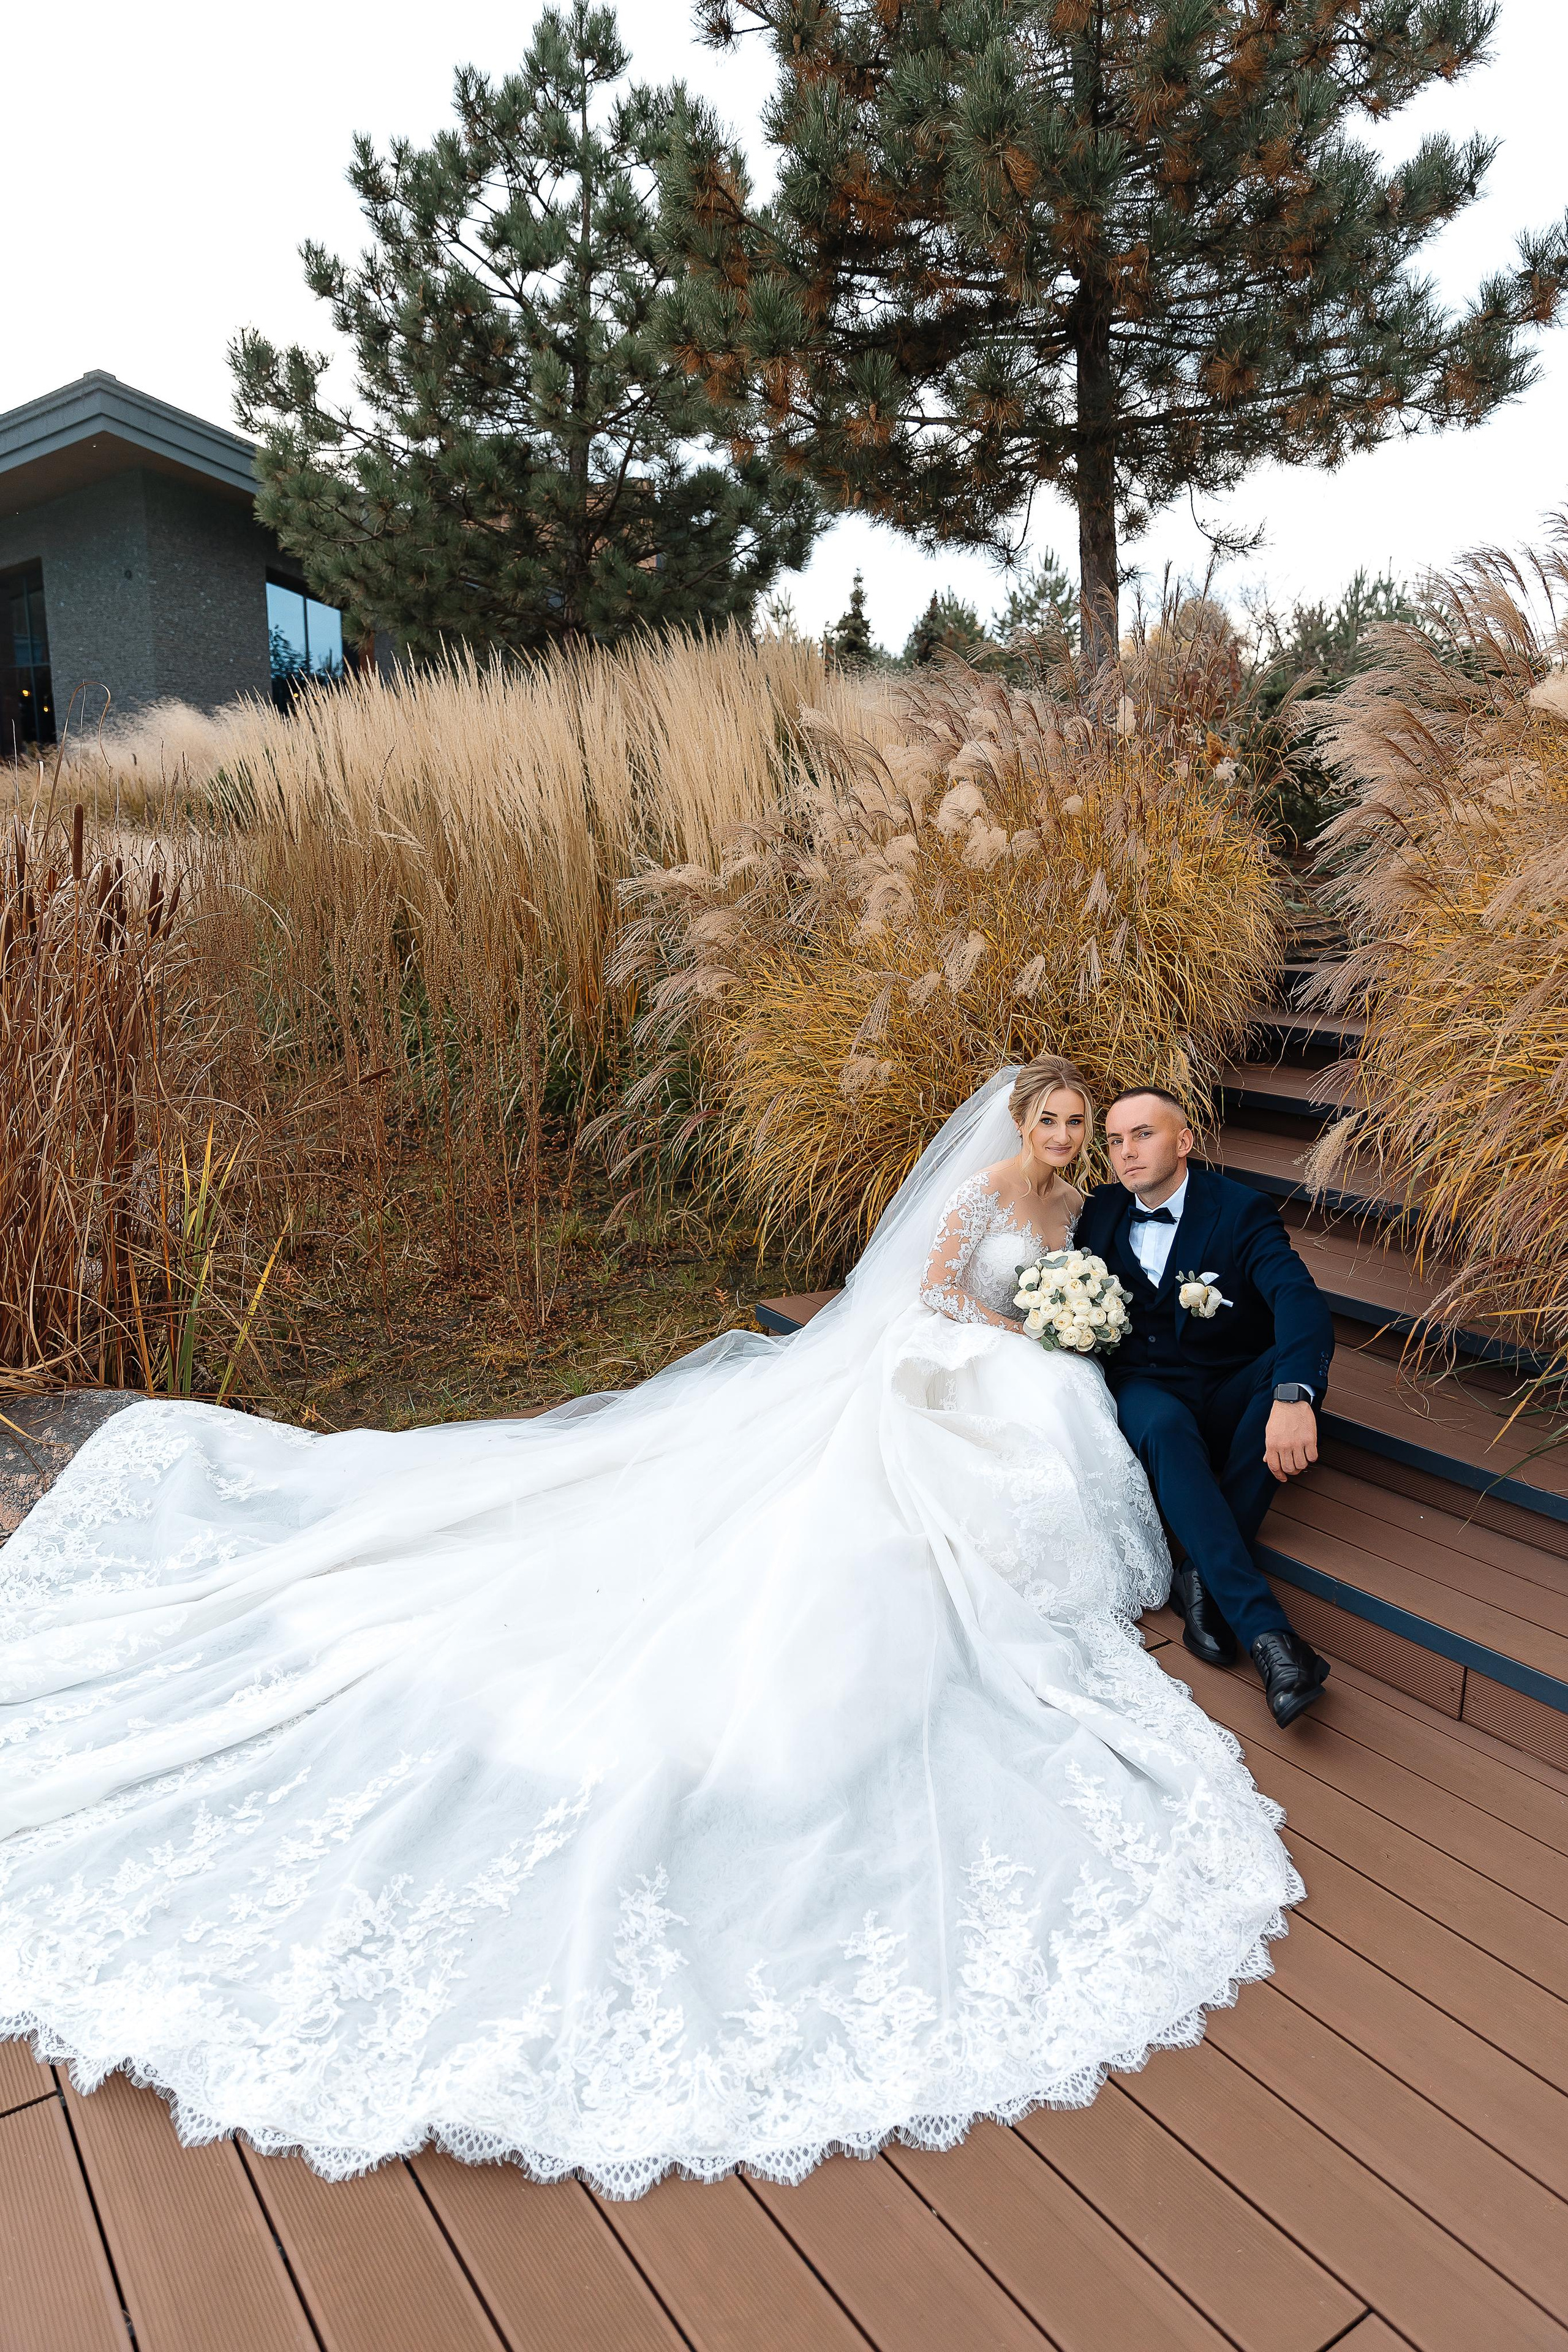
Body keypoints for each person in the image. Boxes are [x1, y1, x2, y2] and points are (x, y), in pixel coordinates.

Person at [0, 1060, 1300, 2202]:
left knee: (1056, 1420)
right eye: (1063, 1122)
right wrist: (1024, 1324)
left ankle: (1121, 1566)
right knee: (966, 1443)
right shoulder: (998, 1190)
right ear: (1029, 1121)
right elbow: (930, 1290)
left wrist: (1069, 1328)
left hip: (1042, 1366)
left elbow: (1110, 1290)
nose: (1076, 1140)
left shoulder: (1091, 1210)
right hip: (946, 1357)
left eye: (1090, 1125)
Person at [1076, 1087, 1335, 1726]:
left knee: (1285, 1369)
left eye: (1143, 1134)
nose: (1126, 1152)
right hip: (1148, 1387)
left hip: (1225, 1386)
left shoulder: (1240, 1211)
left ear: (1183, 1142)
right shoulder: (1101, 1213)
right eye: (1114, 1140)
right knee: (1162, 1429)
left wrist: (1294, 1396)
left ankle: (1199, 1575)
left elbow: (1299, 1301)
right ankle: (1272, 1642)